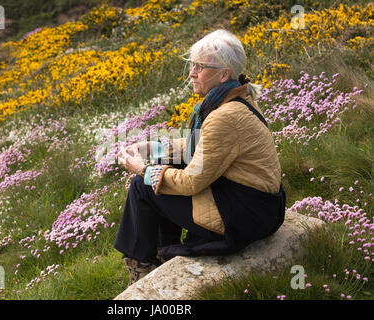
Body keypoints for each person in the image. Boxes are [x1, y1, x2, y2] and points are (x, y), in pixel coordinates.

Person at [115, 29, 286, 286]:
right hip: (259, 205)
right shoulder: (238, 95)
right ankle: (164, 252)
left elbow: (191, 183)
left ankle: (143, 269)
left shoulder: (224, 116)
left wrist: (142, 170)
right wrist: (154, 149)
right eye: (192, 65)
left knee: (143, 186)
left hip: (243, 216)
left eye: (199, 66)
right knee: (164, 165)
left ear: (223, 73)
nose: (191, 73)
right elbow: (205, 147)